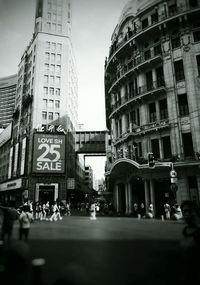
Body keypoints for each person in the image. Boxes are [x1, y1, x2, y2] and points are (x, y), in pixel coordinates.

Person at [180, 200, 200, 283]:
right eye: (185, 211)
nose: (187, 214)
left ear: (196, 212)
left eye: (190, 211)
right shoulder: (185, 231)